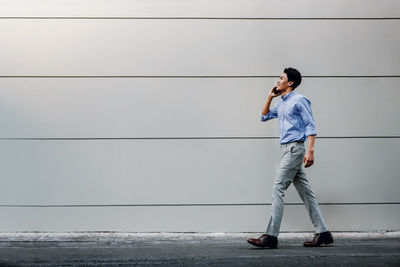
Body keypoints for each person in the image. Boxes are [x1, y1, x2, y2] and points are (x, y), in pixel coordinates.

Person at [247, 67, 333, 249]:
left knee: (278, 186)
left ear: (290, 82)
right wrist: (270, 96)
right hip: (286, 149)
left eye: (281, 78)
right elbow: (263, 117)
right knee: (306, 193)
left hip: (296, 148)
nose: (278, 81)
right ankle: (323, 233)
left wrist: (311, 150)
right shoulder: (281, 103)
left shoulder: (299, 100)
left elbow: (310, 126)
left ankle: (271, 236)